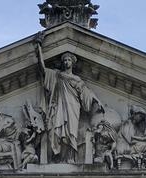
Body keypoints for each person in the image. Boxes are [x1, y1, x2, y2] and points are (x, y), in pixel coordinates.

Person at [35, 34, 102, 162]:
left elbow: (87, 94)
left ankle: (70, 157)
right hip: (60, 106)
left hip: (73, 107)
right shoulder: (57, 75)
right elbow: (42, 70)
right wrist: (38, 48)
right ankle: (59, 157)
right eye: (65, 60)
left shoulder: (77, 80)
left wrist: (96, 100)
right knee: (59, 131)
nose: (66, 62)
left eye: (69, 60)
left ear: (73, 63)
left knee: (71, 132)